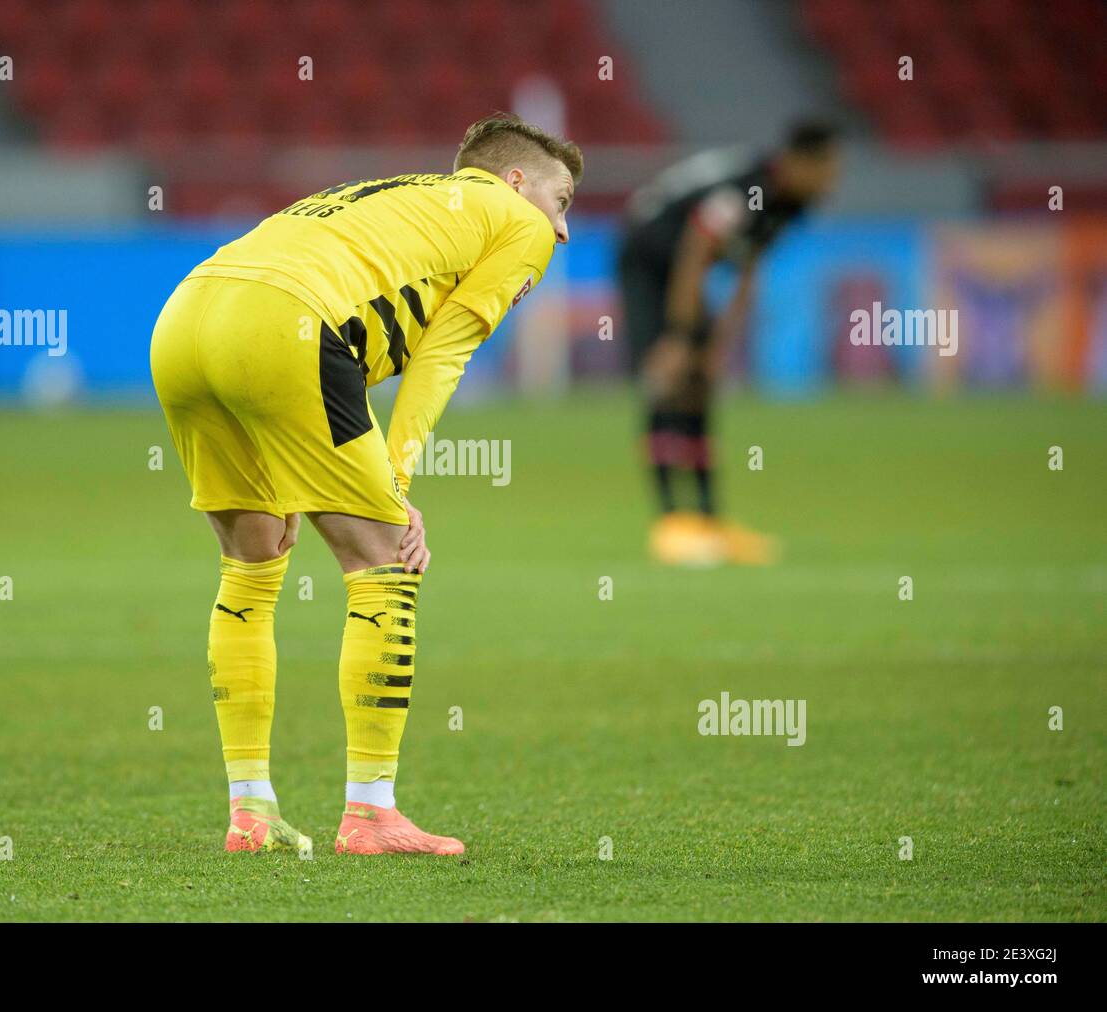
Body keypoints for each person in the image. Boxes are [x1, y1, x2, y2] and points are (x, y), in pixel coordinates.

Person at [150, 113, 580, 855]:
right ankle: (372, 815)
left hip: (186, 317)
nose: (563, 231)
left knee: (253, 562)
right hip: (285, 324)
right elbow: (443, 355)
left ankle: (250, 811)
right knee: (384, 561)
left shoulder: (396, 195)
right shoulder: (518, 222)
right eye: (563, 200)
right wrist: (397, 480)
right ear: (514, 181)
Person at [619, 120, 842, 565]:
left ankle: (710, 522)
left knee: (700, 385)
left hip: (689, 271)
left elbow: (747, 267)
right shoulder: (746, 188)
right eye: (828, 168)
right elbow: (695, 251)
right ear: (801, 162)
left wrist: (719, 344)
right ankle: (670, 524)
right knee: (669, 378)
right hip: (648, 257)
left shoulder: (791, 204)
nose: (833, 180)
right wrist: (681, 337)